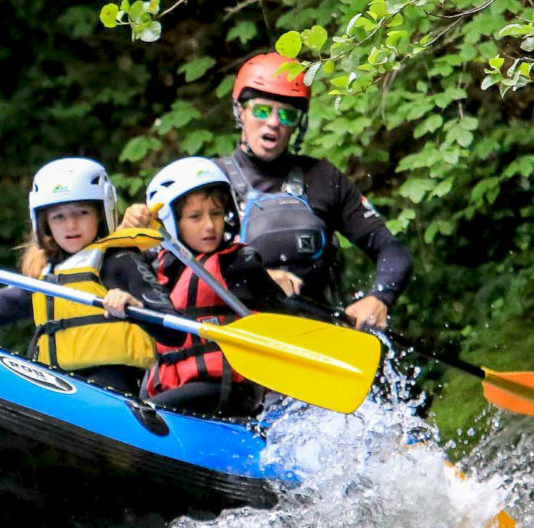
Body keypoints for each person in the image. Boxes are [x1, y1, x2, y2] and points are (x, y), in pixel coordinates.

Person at [124, 52, 412, 330]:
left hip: (316, 333)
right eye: (262, 110)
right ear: (240, 112)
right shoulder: (204, 183)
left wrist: (379, 297)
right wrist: (135, 232)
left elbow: (391, 249)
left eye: (286, 115)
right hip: (234, 339)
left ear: (297, 124)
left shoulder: (324, 178)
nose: (273, 122)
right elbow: (165, 265)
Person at [0, 157, 184, 395]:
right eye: (58, 217)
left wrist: (133, 308)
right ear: (44, 224)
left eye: (81, 212)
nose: (71, 224)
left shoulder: (121, 261)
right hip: (60, 388)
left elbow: (174, 332)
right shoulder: (47, 277)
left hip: (116, 387)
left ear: (101, 214)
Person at [140, 157, 287, 415]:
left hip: (228, 387)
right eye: (195, 217)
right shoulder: (156, 266)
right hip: (174, 385)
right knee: (141, 403)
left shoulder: (237, 264)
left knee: (148, 412)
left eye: (216, 214)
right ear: (170, 221)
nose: (210, 226)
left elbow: (284, 313)